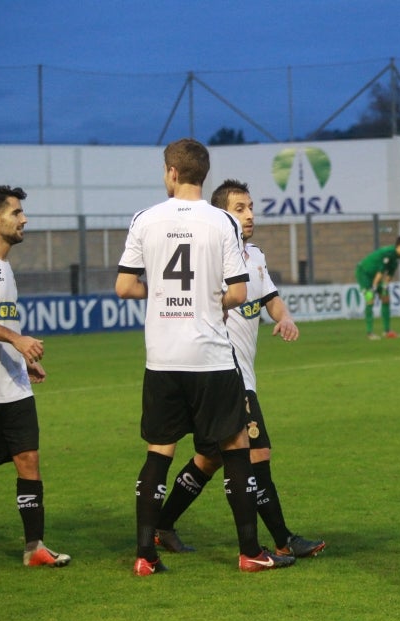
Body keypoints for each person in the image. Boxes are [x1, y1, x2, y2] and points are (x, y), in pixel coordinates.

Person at [116, 138, 293, 575]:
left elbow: (123, 287)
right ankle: (250, 551)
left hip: (161, 356)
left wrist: (160, 295)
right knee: (236, 446)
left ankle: (145, 555)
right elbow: (236, 292)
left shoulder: (145, 219)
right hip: (211, 357)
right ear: (203, 175)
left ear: (171, 173)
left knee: (159, 451)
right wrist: (205, 300)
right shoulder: (221, 223)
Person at [155, 179, 325, 560]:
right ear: (220, 215)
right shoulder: (210, 258)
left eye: (250, 207)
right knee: (257, 452)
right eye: (239, 208)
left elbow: (271, 298)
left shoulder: (255, 257)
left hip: (242, 373)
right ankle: (282, 539)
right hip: (223, 375)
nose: (249, 215)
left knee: (211, 458)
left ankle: (160, 526)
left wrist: (285, 318)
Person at [0, 185, 71, 569]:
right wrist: (16, 338)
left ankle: (35, 548)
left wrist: (23, 358)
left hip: (12, 386)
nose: (24, 219)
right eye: (16, 212)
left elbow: (0, 321)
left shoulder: (6, 267)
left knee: (28, 459)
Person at [355, 236, 400, 339]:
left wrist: (384, 286)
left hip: (376, 276)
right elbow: (381, 272)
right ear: (398, 246)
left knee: (385, 298)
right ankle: (369, 333)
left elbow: (390, 272)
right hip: (364, 274)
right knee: (370, 299)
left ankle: (387, 331)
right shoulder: (388, 253)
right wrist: (374, 287)